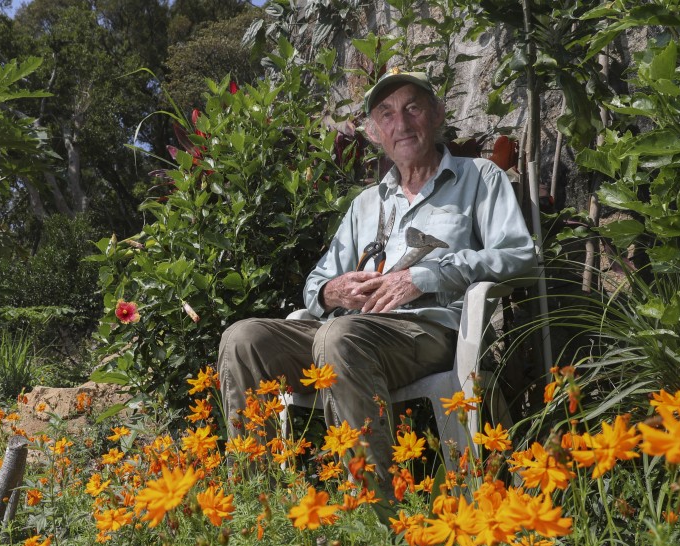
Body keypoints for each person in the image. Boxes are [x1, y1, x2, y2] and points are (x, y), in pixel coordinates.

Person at [217, 70, 536, 514]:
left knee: (339, 338)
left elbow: (520, 254)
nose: (400, 123)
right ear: (373, 132)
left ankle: (376, 523)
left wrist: (426, 276)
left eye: (412, 108)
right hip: (347, 330)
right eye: (386, 113)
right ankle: (260, 513)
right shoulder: (365, 204)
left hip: (427, 333)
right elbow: (316, 284)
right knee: (242, 340)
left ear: (438, 113)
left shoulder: (479, 178)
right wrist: (333, 291)